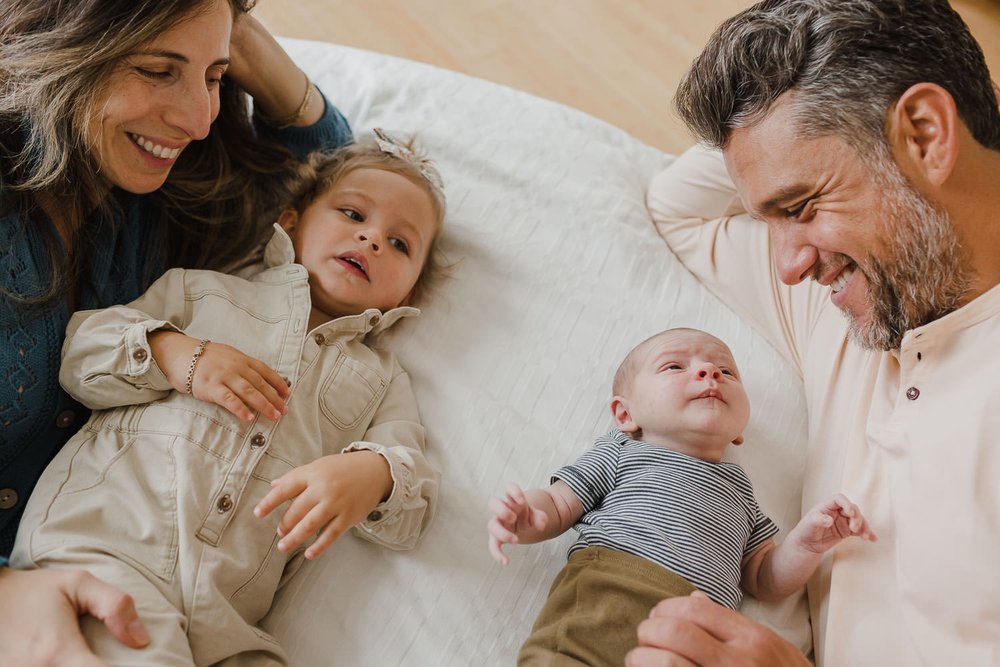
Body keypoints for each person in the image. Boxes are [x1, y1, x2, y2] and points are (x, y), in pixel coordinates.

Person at [636, 1, 1000, 665]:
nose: (787, 263)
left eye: (800, 206)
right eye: (767, 218)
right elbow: (677, 209)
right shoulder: (845, 303)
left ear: (925, 134)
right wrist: (784, 129)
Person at [0, 0, 354, 663]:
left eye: (216, 78)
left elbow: (336, 172)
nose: (196, 118)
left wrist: (233, 27)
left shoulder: (155, 202)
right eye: (158, 70)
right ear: (63, 43)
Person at [11, 134, 445, 665]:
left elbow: (414, 499)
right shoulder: (202, 292)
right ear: (291, 222)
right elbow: (81, 356)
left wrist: (374, 475)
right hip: (107, 549)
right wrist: (177, 354)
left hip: (226, 622)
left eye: (401, 244)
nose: (373, 238)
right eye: (353, 213)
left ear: (411, 292)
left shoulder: (382, 380)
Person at [487, 327, 875, 666]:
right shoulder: (622, 451)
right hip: (605, 599)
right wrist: (525, 516)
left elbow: (763, 576)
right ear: (625, 416)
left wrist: (806, 545)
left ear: (738, 432)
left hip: (695, 632)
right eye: (675, 367)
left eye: (726, 372)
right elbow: (557, 504)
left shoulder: (739, 490)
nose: (709, 374)